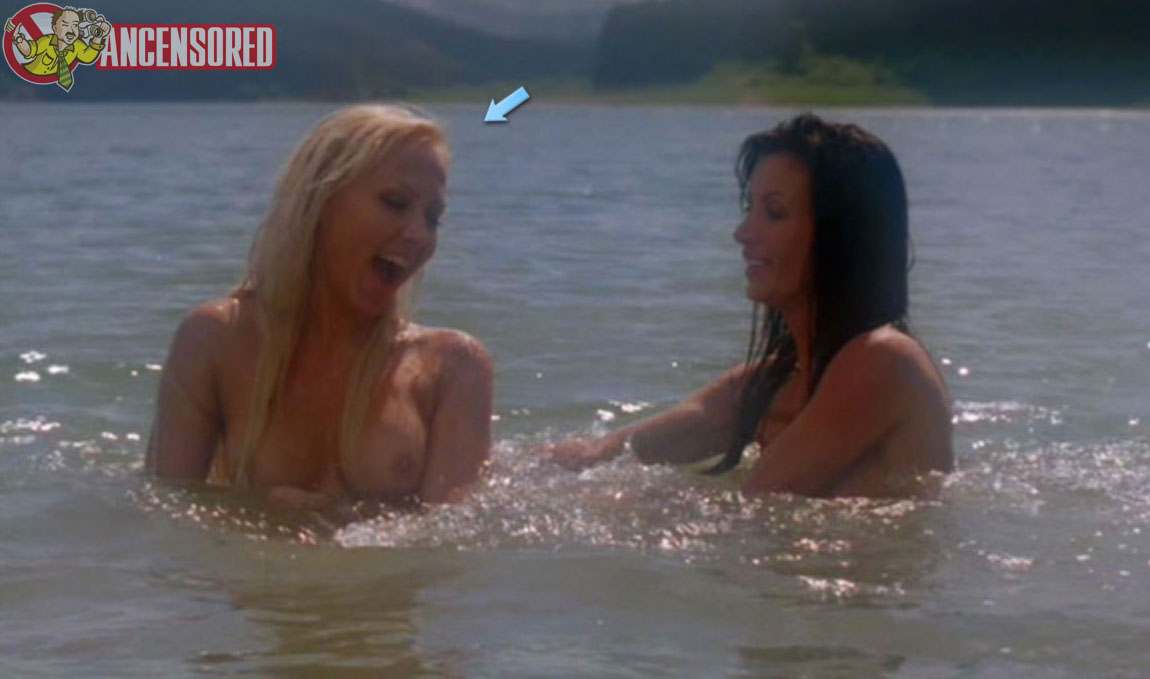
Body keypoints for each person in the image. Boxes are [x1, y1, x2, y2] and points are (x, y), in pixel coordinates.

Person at [551, 113, 953, 499]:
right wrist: (539, 471)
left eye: (775, 213)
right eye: (750, 209)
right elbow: (602, 456)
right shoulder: (770, 383)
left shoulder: (885, 360)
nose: (743, 233)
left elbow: (757, 504)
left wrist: (615, 507)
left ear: (844, 236)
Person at [145, 104, 493, 510]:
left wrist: (335, 526)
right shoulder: (214, 340)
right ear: (321, 200)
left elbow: (447, 535)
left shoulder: (452, 367)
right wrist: (262, 515)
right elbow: (165, 509)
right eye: (396, 203)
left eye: (433, 218)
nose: (419, 234)